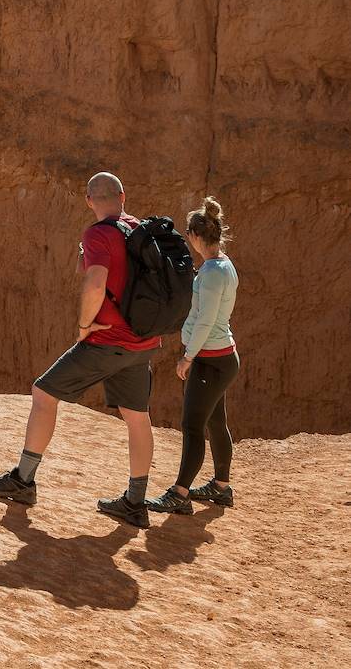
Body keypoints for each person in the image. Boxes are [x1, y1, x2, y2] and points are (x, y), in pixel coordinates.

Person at [0, 171, 160, 528]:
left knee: (43, 393)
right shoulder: (140, 229)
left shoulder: (99, 233)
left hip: (107, 340)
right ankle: (136, 503)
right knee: (138, 418)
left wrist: (85, 326)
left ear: (89, 201)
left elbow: (95, 281)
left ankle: (23, 481)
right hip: (143, 342)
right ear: (123, 194)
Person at [146, 198, 239, 513]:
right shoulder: (224, 265)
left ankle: (180, 494)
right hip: (222, 357)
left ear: (197, 237)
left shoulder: (212, 272)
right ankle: (221, 487)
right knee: (215, 422)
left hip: (210, 361)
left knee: (192, 425)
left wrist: (187, 357)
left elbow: (206, 321)